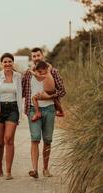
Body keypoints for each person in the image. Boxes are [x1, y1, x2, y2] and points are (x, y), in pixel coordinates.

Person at [22, 47, 66, 178]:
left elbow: (62, 91)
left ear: (42, 56)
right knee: (35, 139)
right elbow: (22, 91)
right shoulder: (28, 74)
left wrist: (49, 97)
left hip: (49, 109)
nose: (36, 58)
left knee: (47, 140)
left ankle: (45, 169)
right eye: (34, 56)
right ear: (32, 58)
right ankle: (34, 170)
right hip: (32, 109)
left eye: (38, 55)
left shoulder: (53, 71)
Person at [0, 53, 23, 180]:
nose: (7, 64)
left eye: (9, 61)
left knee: (9, 139)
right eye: (5, 62)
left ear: (13, 63)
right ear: (1, 63)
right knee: (0, 141)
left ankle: (8, 171)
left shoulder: (18, 77)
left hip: (13, 109)